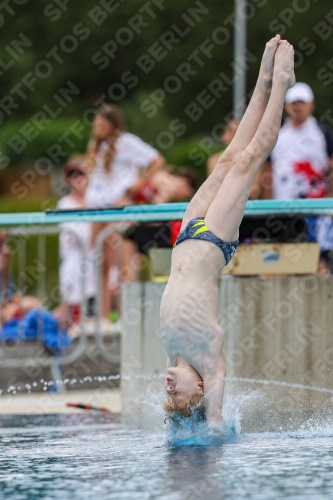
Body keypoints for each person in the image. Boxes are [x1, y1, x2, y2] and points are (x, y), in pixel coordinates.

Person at [160, 36, 295, 428]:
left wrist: (174, 422)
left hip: (186, 233)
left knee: (227, 160)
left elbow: (172, 417)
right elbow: (214, 423)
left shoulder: (173, 357)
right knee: (249, 161)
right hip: (215, 240)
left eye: (167, 392)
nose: (169, 386)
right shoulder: (210, 359)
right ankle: (282, 83)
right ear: (201, 390)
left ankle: (263, 79)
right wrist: (213, 423)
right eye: (178, 394)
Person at [85, 104, 165, 318]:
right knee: (102, 265)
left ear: (112, 125)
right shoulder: (97, 147)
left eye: (102, 125)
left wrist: (139, 184)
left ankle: (126, 316)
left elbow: (156, 160)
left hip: (118, 209)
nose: (98, 129)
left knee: (124, 264)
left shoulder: (125, 142)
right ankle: (103, 318)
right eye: (97, 125)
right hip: (98, 209)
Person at [255, 82, 333, 272]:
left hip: (317, 208)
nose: (297, 107)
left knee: (319, 258)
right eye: (293, 102)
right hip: (284, 206)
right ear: (286, 106)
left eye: (302, 102)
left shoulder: (323, 133)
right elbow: (268, 171)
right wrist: (268, 206)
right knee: (284, 257)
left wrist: (329, 201)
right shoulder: (277, 136)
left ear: (311, 105)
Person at [121, 166, 199, 282]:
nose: (183, 197)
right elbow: (155, 213)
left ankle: (128, 290)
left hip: (125, 208)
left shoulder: (163, 176)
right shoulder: (170, 184)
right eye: (186, 193)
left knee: (126, 265)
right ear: (186, 183)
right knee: (128, 265)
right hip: (123, 208)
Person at [57, 159, 96, 323]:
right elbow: (73, 236)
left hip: (96, 263)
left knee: (96, 311)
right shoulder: (65, 204)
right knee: (74, 311)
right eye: (73, 175)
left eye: (81, 174)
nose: (78, 179)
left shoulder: (96, 199)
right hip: (75, 263)